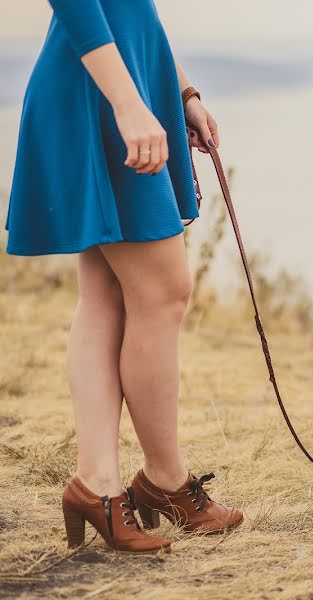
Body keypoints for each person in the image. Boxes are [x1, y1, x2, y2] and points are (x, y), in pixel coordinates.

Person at [5, 0, 242, 553]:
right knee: (163, 292)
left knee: (105, 295)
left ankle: (98, 486)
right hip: (103, 95)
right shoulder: (118, 101)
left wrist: (180, 91)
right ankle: (163, 481)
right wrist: (129, 105)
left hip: (113, 85)